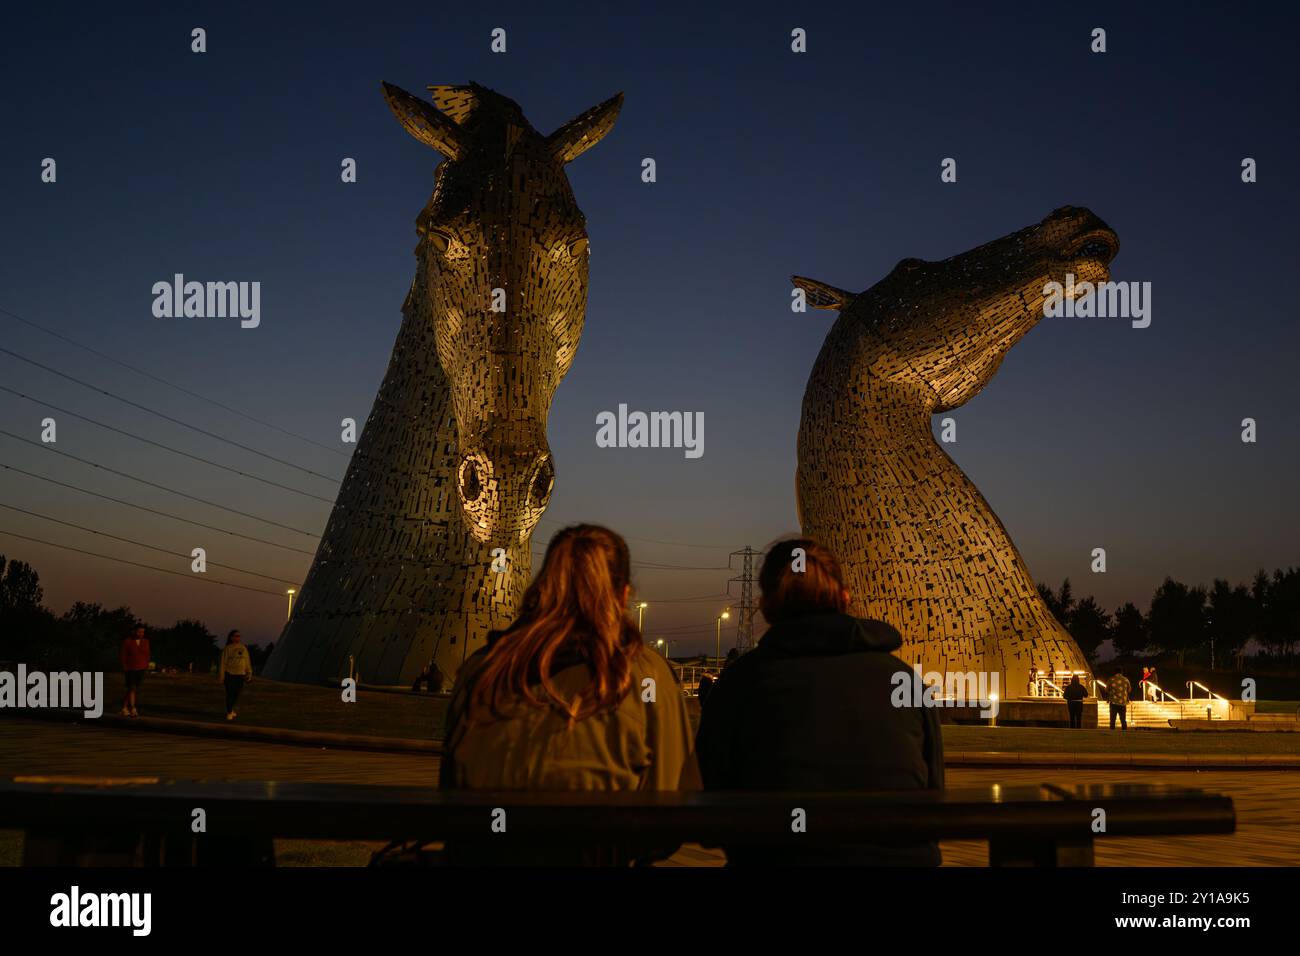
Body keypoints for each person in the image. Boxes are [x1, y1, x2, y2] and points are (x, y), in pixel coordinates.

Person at [439, 524, 700, 865]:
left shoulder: (482, 668)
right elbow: (669, 812)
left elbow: (452, 788)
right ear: (622, 594)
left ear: (542, 586)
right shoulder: (643, 673)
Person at [695, 538, 944, 866]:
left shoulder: (738, 684)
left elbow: (711, 820)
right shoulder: (906, 682)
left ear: (766, 606)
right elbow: (933, 798)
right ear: (844, 597)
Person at [218, 629, 254, 720]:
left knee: (236, 694)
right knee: (230, 694)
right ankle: (229, 712)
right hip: (230, 674)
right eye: (236, 636)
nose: (238, 638)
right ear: (232, 637)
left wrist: (249, 672)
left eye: (239, 636)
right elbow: (223, 663)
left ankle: (231, 709)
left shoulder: (243, 648)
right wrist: (222, 676)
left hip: (240, 674)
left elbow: (247, 661)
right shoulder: (228, 648)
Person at [119, 625, 150, 717]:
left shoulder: (146, 641)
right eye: (139, 632)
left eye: (142, 632)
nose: (141, 634)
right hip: (130, 668)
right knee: (132, 687)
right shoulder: (127, 641)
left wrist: (146, 665)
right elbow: (123, 655)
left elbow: (147, 654)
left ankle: (124, 708)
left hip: (141, 668)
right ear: (134, 631)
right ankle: (133, 708)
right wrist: (125, 667)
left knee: (132, 689)